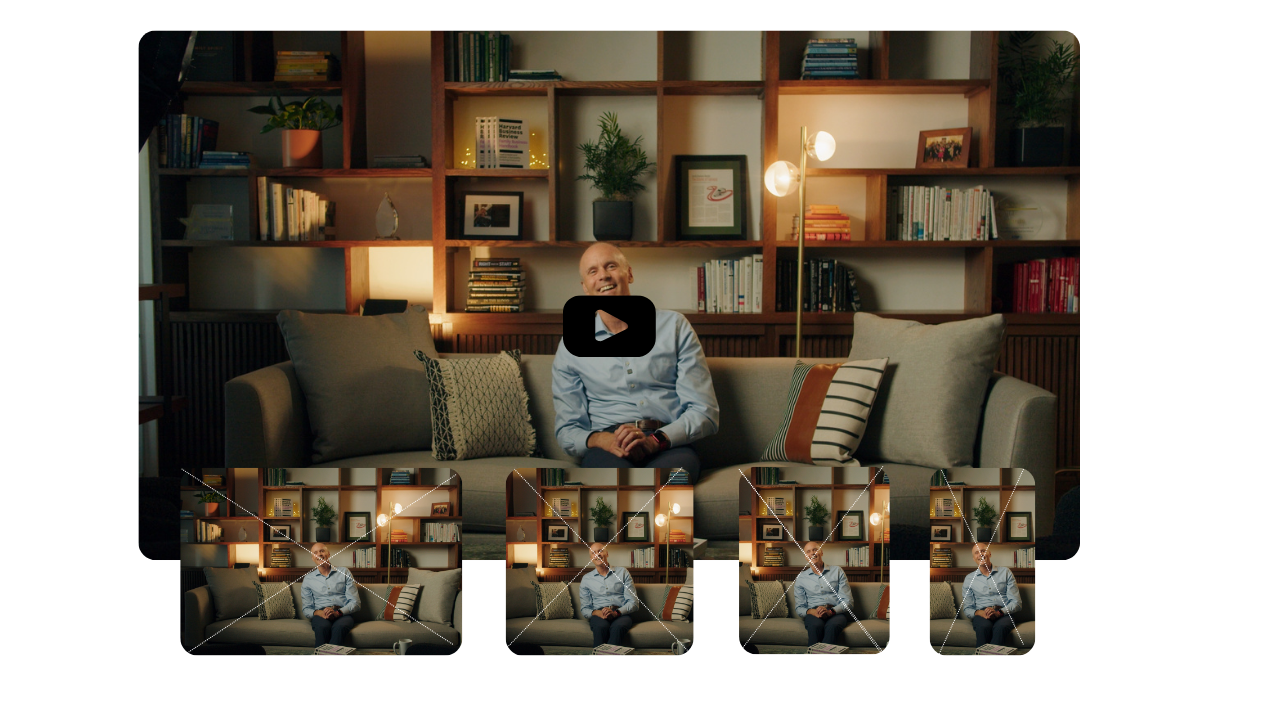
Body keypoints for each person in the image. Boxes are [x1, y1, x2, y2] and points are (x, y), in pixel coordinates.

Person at [552, 242, 720, 481]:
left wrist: (655, 441)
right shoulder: (571, 345)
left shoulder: (674, 326)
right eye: (593, 271)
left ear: (628, 273)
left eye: (611, 265)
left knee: (664, 483)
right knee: (616, 486)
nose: (603, 276)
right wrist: (601, 439)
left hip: (668, 442)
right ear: (585, 287)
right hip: (608, 446)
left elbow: (705, 412)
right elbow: (567, 430)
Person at [962, 542, 1023, 648]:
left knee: (1001, 627)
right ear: (973, 558)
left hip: (1004, 613)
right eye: (976, 553)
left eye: (983, 551)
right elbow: (967, 608)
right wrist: (979, 612)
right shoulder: (969, 579)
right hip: (982, 615)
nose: (980, 554)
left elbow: (1016, 603)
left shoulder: (1005, 572)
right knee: (983, 627)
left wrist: (999, 613)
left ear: (989, 553)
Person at [794, 541, 854, 645]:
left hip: (835, 612)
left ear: (821, 552)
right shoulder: (801, 578)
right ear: (805, 557)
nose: (812, 553)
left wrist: (830, 612)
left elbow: (848, 601)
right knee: (815, 626)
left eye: (815, 549)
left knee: (833, 626)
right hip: (814, 614)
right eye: (808, 551)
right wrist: (812, 612)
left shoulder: (837, 571)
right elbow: (799, 607)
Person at [301, 542, 360, 648]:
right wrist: (318, 612)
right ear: (312, 558)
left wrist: (338, 613)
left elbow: (355, 603)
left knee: (340, 627)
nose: (319, 554)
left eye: (322, 551)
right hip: (321, 615)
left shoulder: (344, 572)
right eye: (315, 552)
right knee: (322, 627)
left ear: (328, 554)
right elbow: (306, 608)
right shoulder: (308, 579)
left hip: (343, 613)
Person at [580, 543, 638, 647]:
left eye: (600, 551)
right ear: (591, 558)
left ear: (607, 553)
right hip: (599, 615)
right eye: (593, 553)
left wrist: (616, 613)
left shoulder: (623, 572)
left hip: (621, 613)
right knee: (600, 627)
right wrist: (597, 613)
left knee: (618, 627)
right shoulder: (586, 579)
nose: (597, 554)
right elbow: (585, 608)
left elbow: (634, 603)